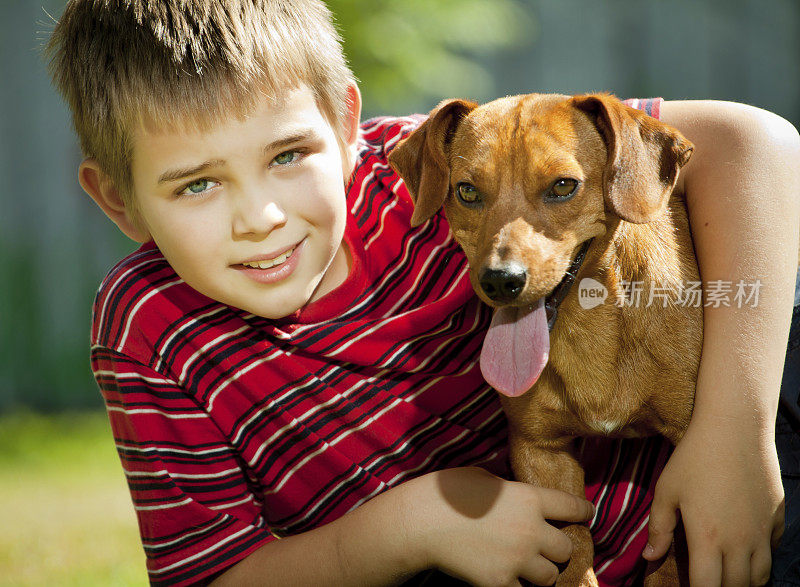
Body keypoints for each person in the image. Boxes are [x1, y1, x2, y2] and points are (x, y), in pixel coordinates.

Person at [45, 1, 799, 585]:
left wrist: (734, 432)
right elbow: (211, 576)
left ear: (344, 123)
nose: (261, 218)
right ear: (118, 202)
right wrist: (408, 528)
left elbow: (760, 144)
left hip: (715, 488)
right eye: (198, 183)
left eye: (288, 155)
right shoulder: (149, 326)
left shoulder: (455, 165)